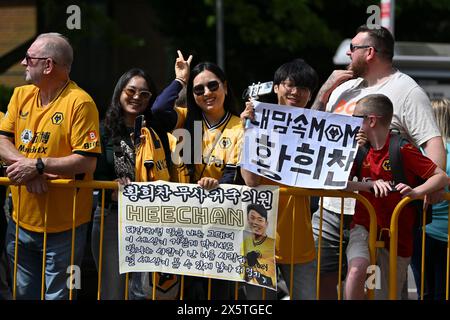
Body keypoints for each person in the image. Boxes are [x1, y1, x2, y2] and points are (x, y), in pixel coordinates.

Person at [310, 25, 446, 299]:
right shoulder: (343, 88)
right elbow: (311, 132)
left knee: (381, 291)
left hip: (379, 213)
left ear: (369, 52)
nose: (348, 53)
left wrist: (427, 189)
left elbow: (433, 143)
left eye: (353, 48)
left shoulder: (407, 91)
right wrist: (325, 90)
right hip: (330, 208)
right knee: (318, 281)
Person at [0, 33, 101, 300]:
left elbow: (87, 160)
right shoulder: (20, 94)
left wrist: (38, 166)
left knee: (59, 297)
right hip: (20, 221)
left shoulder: (80, 103)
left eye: (29, 58)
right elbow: (1, 139)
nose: (23, 63)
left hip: (64, 228)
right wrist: (30, 167)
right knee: (22, 294)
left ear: (48, 65)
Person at [91, 51, 192, 300]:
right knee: (113, 290)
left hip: (153, 221)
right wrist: (112, 185)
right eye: (131, 91)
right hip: (112, 218)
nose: (137, 97)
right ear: (119, 92)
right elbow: (97, 171)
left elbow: (161, 105)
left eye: (144, 93)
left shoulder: (158, 124)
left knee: (148, 292)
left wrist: (180, 80)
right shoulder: (103, 129)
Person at [343, 94, 448, 300]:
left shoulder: (402, 148)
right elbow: (336, 182)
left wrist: (416, 192)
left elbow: (442, 177)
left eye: (356, 118)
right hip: (363, 229)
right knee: (357, 270)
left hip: (396, 237)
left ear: (371, 120)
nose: (352, 123)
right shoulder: (359, 149)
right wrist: (368, 185)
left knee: (383, 294)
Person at [240, 58, 319, 300]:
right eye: (289, 85)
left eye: (304, 88)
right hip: (259, 236)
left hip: (299, 236)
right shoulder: (255, 123)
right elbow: (250, 180)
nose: (296, 92)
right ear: (275, 88)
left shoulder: (319, 132)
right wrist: (249, 132)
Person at [171, 61, 243, 299]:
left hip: (222, 228)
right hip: (185, 226)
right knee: (188, 295)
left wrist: (218, 185)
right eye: (198, 90)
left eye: (213, 86)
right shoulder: (185, 120)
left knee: (219, 294)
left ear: (225, 86)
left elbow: (233, 175)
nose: (207, 93)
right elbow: (159, 111)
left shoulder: (240, 126)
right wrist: (180, 80)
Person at [410, 98, 450, 300]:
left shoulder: (422, 152)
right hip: (446, 232)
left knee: (424, 292)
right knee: (443, 292)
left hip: (423, 228)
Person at [243, 203, 276, 289]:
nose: (255, 223)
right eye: (252, 218)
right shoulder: (245, 242)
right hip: (251, 286)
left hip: (265, 288)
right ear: (247, 220)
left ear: (266, 223)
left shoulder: (271, 245)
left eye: (260, 220)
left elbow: (270, 281)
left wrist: (254, 263)